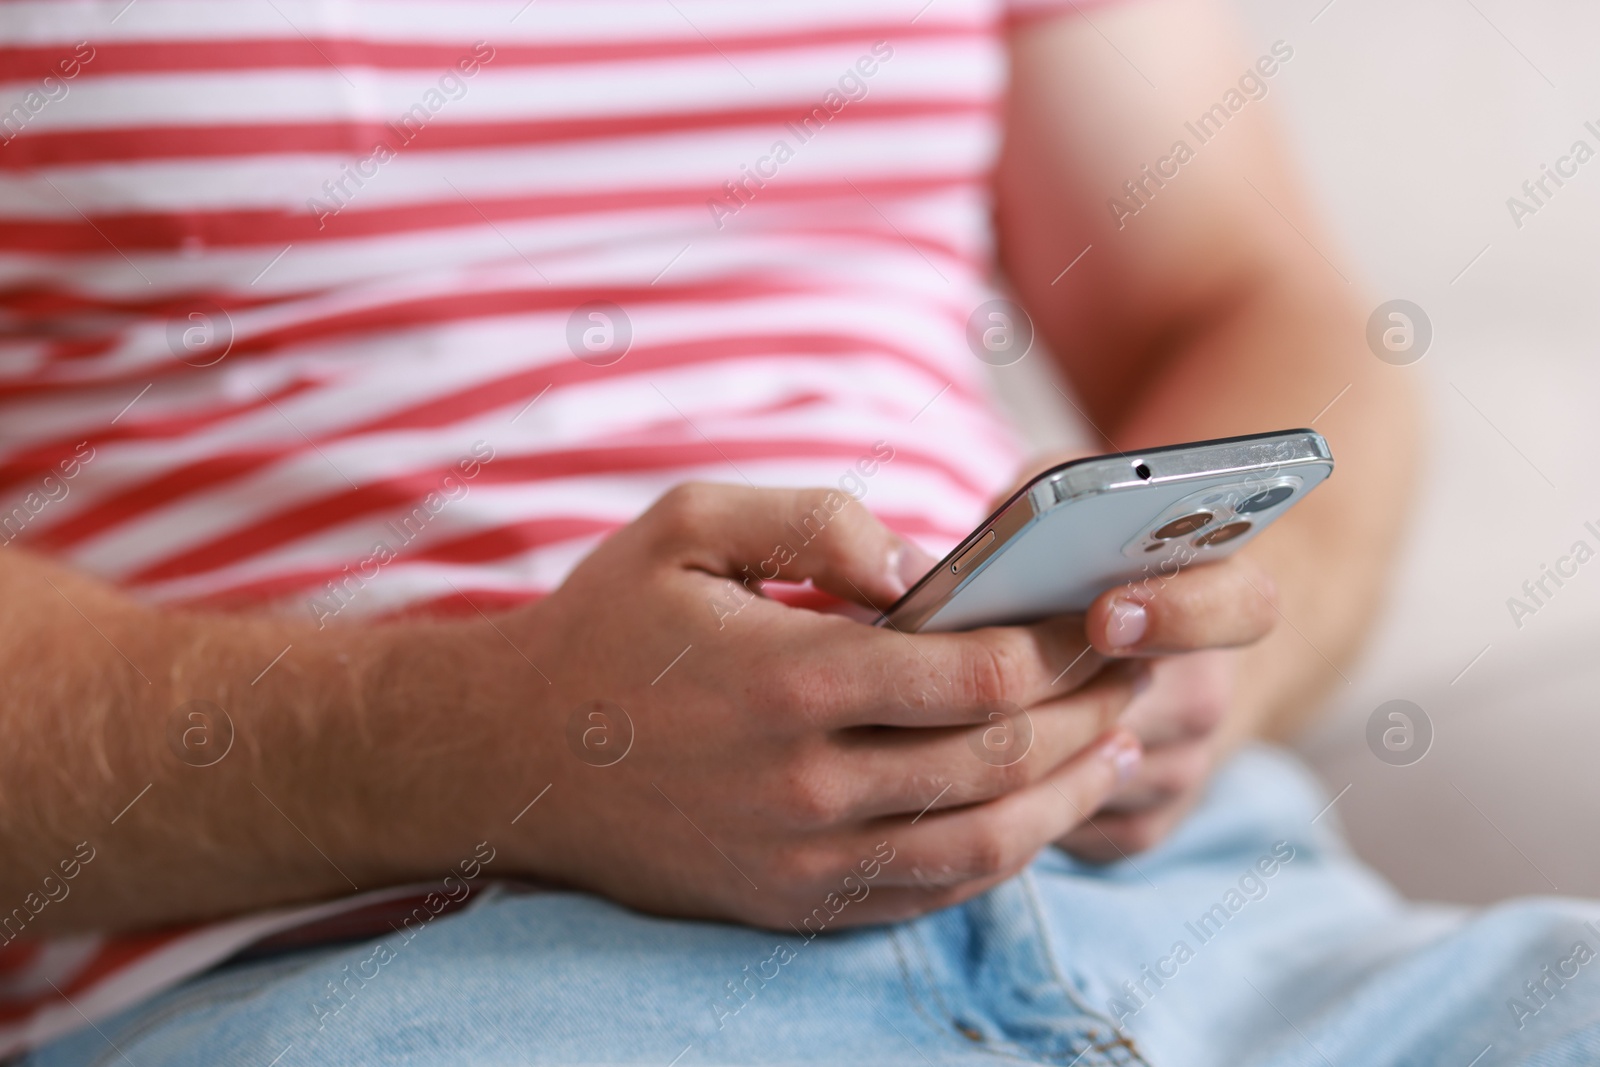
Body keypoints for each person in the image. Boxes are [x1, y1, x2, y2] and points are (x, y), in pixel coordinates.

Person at [1, 1, 1595, 1064]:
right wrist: (509, 745)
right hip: (399, 968)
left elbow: (1248, 299)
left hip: (1223, 918)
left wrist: (1186, 665)